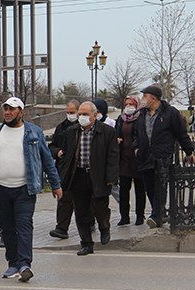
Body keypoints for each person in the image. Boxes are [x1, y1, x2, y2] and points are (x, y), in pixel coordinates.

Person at [0, 97, 62, 282]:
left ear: (21, 112)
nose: (7, 112)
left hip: (25, 189)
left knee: (24, 225)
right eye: (5, 109)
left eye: (12, 109)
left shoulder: (33, 133)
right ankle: (12, 264)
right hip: (1, 188)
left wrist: (56, 184)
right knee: (7, 228)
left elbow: (46, 160)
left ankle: (25, 264)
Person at [59, 101, 119, 256]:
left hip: (98, 175)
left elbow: (113, 156)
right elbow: (66, 155)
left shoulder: (107, 132)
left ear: (94, 115)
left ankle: (104, 228)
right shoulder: (72, 132)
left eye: (85, 114)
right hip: (78, 176)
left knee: (100, 208)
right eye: (79, 114)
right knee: (81, 212)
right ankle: (86, 243)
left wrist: (111, 177)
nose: (81, 117)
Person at [133, 85, 195, 228]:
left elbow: (181, 134)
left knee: (160, 185)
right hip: (144, 156)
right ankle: (159, 213)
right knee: (149, 187)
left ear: (153, 98)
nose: (143, 99)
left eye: (145, 96)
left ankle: (156, 216)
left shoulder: (170, 113)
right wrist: (136, 148)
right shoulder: (142, 114)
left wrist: (189, 152)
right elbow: (136, 133)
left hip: (162, 156)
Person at [48, 99, 80, 239]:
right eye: (67, 112)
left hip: (80, 168)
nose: (69, 115)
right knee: (64, 199)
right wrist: (57, 152)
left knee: (84, 200)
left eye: (72, 112)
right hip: (64, 169)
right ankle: (61, 228)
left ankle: (89, 223)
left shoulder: (84, 127)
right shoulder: (61, 127)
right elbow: (52, 146)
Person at [115, 96, 146, 226]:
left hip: (137, 159)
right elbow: (115, 134)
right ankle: (124, 216)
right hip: (124, 159)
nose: (128, 107)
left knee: (139, 189)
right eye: (126, 104)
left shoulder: (141, 118)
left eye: (131, 104)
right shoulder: (121, 119)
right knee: (123, 190)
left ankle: (140, 215)